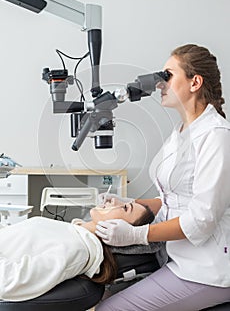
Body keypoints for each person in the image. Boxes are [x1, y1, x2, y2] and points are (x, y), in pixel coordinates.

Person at [95, 44, 230, 310]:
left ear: (195, 82)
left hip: (206, 270)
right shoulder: (181, 132)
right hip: (177, 258)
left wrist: (139, 234)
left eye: (167, 75)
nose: (159, 84)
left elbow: (201, 219)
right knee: (105, 294)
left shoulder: (216, 136)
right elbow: (173, 197)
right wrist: (130, 203)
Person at [0, 200, 154, 302]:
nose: (114, 200)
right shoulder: (72, 232)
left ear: (121, 229)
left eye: (125, 207)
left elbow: (7, 281)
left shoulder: (77, 249)